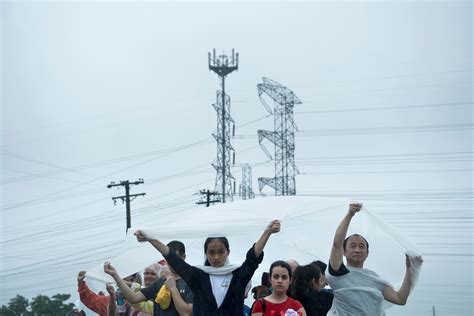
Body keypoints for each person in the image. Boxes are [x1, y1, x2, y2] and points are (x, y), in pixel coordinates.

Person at [134, 219, 281, 315]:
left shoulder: (238, 275)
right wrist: (150, 238)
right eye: (211, 252)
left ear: (228, 252)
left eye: (220, 252)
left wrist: (267, 232)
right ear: (206, 253)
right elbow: (172, 257)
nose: (216, 257)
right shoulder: (198, 276)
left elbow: (253, 258)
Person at [327, 203, 423, 315]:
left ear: (367, 253)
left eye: (361, 246)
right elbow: (336, 244)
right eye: (353, 246)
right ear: (344, 252)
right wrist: (349, 215)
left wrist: (410, 269)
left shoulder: (374, 280)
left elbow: (400, 299)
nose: (357, 250)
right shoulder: (338, 272)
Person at [104, 240, 193, 316]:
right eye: (169, 260)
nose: (172, 263)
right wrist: (115, 275)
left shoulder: (193, 281)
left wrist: (173, 288)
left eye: (175, 259)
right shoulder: (161, 282)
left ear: (184, 257)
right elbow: (133, 298)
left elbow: (186, 313)